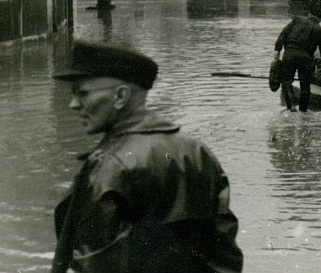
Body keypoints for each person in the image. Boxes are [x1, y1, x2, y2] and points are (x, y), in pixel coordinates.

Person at [51, 41, 243, 273]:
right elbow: (223, 251)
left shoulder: (109, 166)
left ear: (120, 96)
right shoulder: (196, 150)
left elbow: (92, 262)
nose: (73, 105)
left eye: (83, 93)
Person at [274, 14, 321, 111]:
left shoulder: (296, 20)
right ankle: (303, 111)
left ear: (309, 14)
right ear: (319, 19)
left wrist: (277, 49)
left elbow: (283, 33)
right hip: (305, 58)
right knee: (305, 86)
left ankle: (291, 107)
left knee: (286, 81)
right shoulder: (319, 29)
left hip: (289, 53)